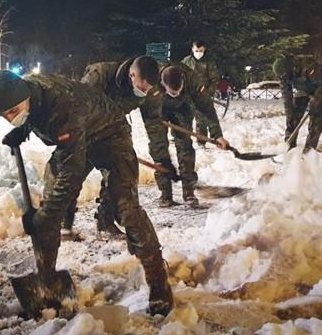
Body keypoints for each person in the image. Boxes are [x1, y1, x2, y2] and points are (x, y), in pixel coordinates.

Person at [0, 70, 174, 318]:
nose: (10, 118)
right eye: (5, 115)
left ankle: (158, 279)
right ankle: (47, 278)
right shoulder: (28, 93)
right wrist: (22, 129)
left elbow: (71, 177)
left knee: (126, 208)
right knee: (49, 203)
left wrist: (46, 216)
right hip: (75, 137)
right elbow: (35, 113)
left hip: (109, 135)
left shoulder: (62, 107)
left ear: (24, 96)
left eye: (13, 112)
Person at [61, 56, 166, 236]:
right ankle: (63, 223)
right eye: (141, 89)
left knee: (121, 173)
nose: (144, 93)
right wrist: (79, 141)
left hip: (114, 130)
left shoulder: (148, 86)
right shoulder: (100, 75)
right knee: (72, 174)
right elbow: (76, 109)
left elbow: (154, 123)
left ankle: (105, 219)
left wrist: (161, 157)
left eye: (147, 90)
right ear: (132, 75)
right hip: (85, 131)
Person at [158, 64, 229, 206]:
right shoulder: (152, 80)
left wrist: (217, 135)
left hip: (183, 108)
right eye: (173, 93)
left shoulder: (192, 79)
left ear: (183, 81)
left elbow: (206, 107)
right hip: (159, 109)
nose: (175, 95)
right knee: (159, 149)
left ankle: (189, 192)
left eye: (178, 91)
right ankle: (165, 194)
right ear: (162, 84)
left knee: (185, 147)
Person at [273, 53, 322, 152]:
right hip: (302, 91)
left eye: (285, 75)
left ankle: (309, 151)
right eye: (282, 77)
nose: (283, 78)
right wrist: (289, 113)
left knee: (316, 121)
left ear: (291, 68)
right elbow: (287, 96)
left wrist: (315, 100)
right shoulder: (284, 75)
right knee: (293, 117)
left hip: (320, 89)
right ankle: (289, 147)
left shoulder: (308, 66)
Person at [181, 40, 220, 147]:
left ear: (204, 49)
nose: (198, 52)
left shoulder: (209, 62)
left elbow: (214, 79)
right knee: (184, 117)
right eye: (196, 50)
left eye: (201, 50)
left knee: (201, 120)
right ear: (192, 49)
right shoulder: (186, 61)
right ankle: (182, 140)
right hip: (188, 95)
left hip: (203, 95)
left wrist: (209, 92)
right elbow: (180, 76)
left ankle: (201, 142)